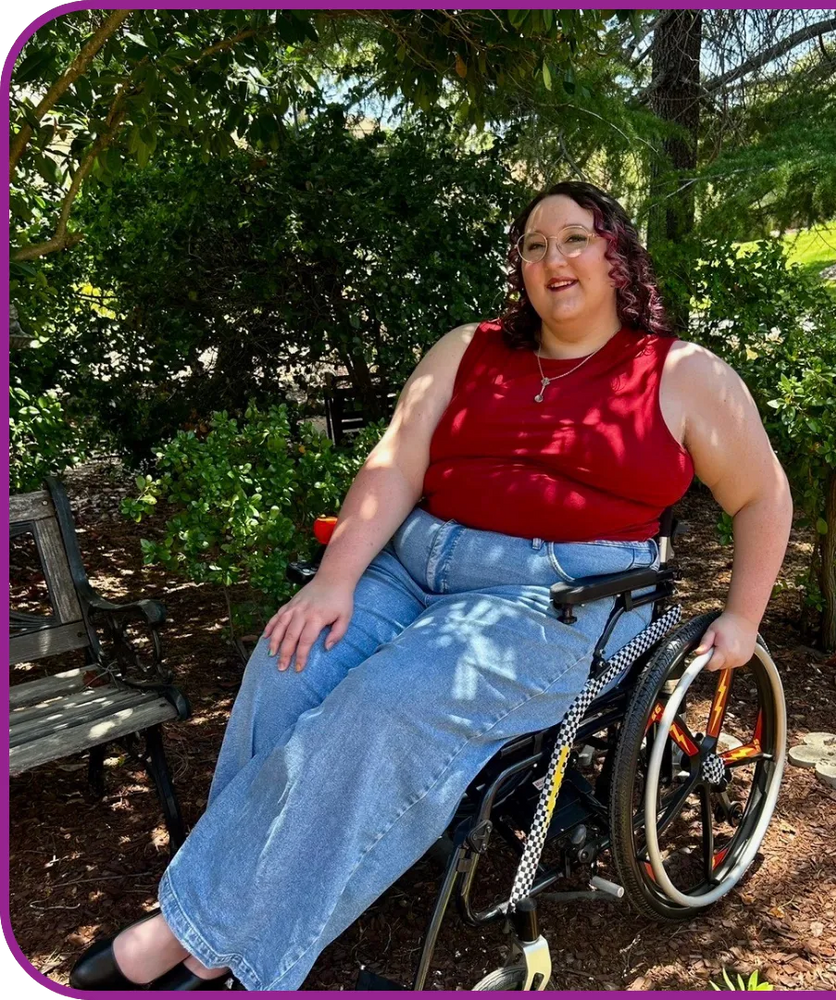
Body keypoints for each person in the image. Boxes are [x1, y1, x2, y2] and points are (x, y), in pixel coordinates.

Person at [69, 181, 793, 991]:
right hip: (414, 564)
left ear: (617, 255)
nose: (552, 258)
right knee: (287, 664)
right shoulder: (467, 348)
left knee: (386, 704)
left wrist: (742, 615)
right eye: (532, 244)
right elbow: (396, 462)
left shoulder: (682, 374)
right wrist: (337, 578)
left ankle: (196, 938)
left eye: (575, 239)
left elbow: (763, 494)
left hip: (561, 597)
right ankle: (237, 924)